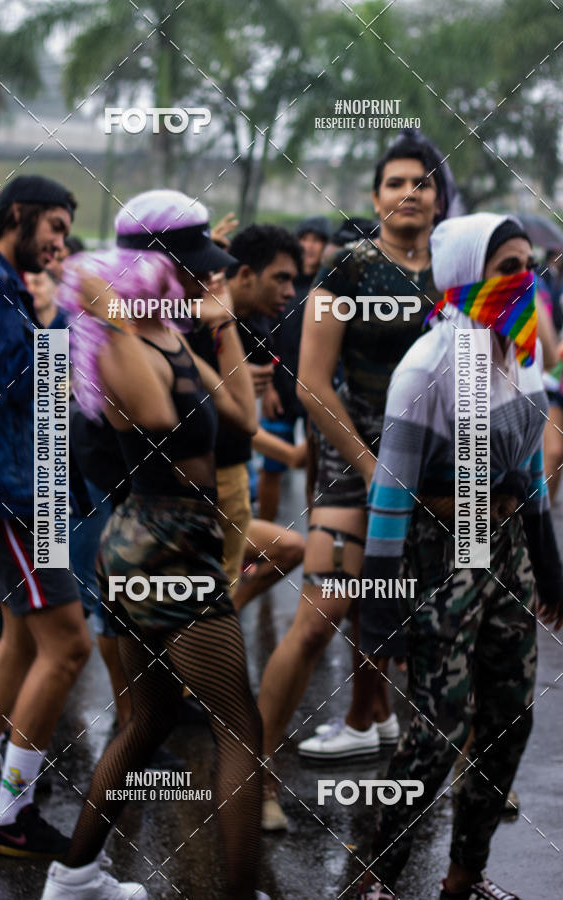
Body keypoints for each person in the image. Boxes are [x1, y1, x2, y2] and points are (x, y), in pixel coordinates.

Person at [40, 189, 269, 900]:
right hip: (158, 542)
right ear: (150, 267)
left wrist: (220, 327)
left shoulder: (170, 332)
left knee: (151, 716)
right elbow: (159, 414)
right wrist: (121, 311)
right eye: (194, 267)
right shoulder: (113, 344)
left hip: (173, 539)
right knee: (241, 726)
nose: (209, 277)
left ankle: (73, 877)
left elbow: (243, 416)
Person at [355, 212, 563, 900]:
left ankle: (464, 876)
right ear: (465, 276)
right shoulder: (430, 364)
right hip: (441, 548)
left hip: (502, 545)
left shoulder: (519, 348)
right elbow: (390, 493)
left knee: (511, 715)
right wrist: (378, 611)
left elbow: (530, 468)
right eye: (507, 268)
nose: (524, 280)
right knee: (437, 731)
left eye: (528, 265)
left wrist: (548, 562)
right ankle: (374, 875)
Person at [256, 133, 448, 830]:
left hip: (447, 472)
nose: (409, 192)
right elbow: (311, 382)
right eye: (396, 182)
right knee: (316, 621)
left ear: (438, 197)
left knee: (461, 620)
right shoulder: (347, 270)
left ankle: (480, 771)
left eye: (422, 183)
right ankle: (256, 781)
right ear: (375, 197)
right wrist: (374, 469)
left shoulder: (464, 267)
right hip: (355, 467)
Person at [0, 175, 92, 858]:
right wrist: (64, 317)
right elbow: (21, 383)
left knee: (19, 638)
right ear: (19, 215)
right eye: (56, 229)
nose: (60, 245)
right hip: (6, 493)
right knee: (68, 644)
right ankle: (11, 814)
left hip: (14, 487)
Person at [188, 224, 305, 609]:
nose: (290, 292)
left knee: (221, 602)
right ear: (244, 275)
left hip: (234, 481)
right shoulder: (192, 323)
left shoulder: (255, 325)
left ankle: (226, 618)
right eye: (281, 279)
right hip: (196, 489)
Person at [258, 216, 331, 522]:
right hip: (281, 390)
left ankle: (316, 541)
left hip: (318, 391)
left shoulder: (331, 285)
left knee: (316, 470)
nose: (309, 246)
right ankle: (262, 542)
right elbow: (262, 332)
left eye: (317, 240)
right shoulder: (282, 283)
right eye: (304, 238)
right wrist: (269, 387)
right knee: (272, 466)